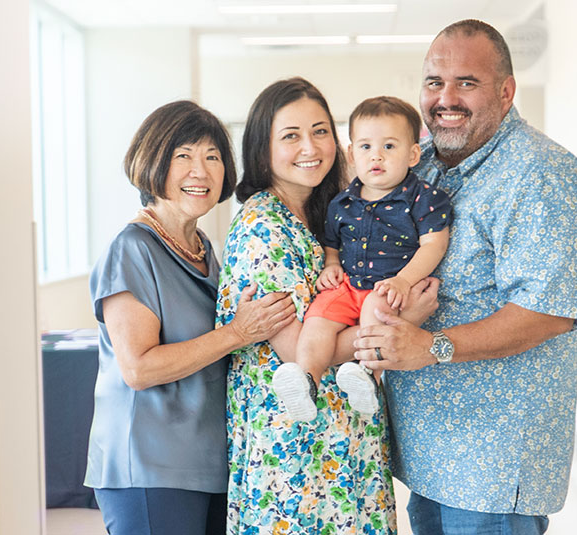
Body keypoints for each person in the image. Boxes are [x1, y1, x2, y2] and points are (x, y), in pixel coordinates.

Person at [353, 20, 577, 535]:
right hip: (429, 457)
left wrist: (430, 346)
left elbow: (546, 313)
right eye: (434, 83)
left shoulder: (541, 174)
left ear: (506, 92)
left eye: (467, 82)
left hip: (491, 467)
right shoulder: (429, 164)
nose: (446, 98)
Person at [85, 100, 295, 535]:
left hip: (209, 462)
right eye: (184, 156)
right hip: (150, 465)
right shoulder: (133, 249)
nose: (200, 171)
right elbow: (139, 368)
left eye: (212, 157)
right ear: (154, 162)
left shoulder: (203, 250)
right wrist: (237, 332)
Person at [216, 78, 406, 534]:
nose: (310, 146)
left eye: (320, 131)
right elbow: (295, 349)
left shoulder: (335, 214)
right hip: (295, 455)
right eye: (291, 135)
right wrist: (397, 328)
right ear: (262, 150)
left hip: (344, 445)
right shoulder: (263, 226)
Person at [273, 96, 452, 421]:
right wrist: (331, 264)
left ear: (413, 154)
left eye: (389, 146)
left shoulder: (424, 198)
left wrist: (403, 280)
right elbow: (332, 242)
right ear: (352, 154)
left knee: (375, 310)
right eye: (366, 147)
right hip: (348, 285)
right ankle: (306, 381)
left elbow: (434, 246)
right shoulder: (341, 203)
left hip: (391, 286)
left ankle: (370, 377)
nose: (377, 156)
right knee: (318, 318)